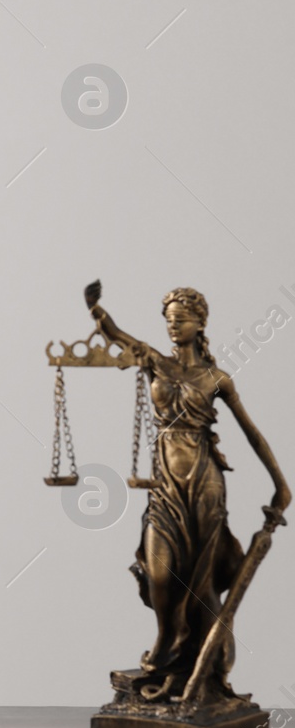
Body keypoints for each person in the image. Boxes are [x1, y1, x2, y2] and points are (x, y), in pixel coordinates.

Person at [87, 285, 290, 702]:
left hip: (205, 484)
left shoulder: (216, 379)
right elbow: (120, 337)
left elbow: (251, 433)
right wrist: (97, 312)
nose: (172, 324)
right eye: (168, 318)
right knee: (160, 574)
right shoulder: (155, 364)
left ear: (200, 324)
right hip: (164, 487)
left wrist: (281, 483)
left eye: (181, 318)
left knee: (202, 579)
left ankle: (203, 668)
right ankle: (167, 644)